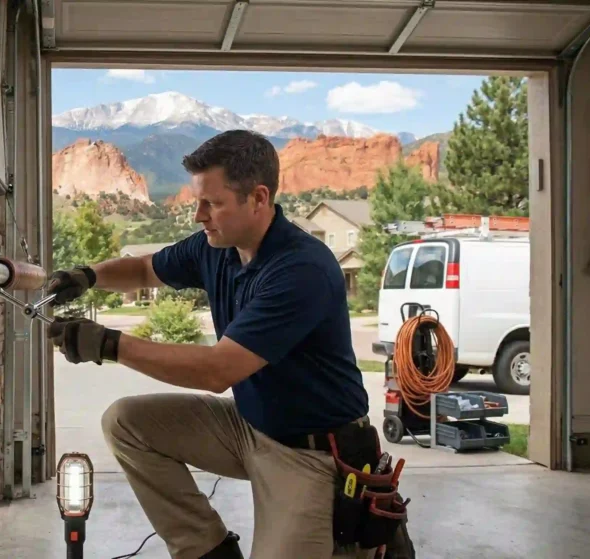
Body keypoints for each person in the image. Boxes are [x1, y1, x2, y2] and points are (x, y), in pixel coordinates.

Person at [44, 130, 402, 559]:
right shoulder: (215, 247)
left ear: (259, 198)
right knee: (126, 422)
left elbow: (217, 371)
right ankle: (208, 550)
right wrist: (87, 276)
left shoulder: (300, 269)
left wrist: (107, 344)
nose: (198, 215)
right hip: (249, 427)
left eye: (212, 203)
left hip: (312, 453)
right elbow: (143, 270)